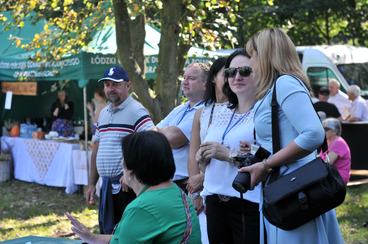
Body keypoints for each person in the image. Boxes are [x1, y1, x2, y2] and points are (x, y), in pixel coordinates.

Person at [240, 28, 343, 244]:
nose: (250, 62)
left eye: (253, 55)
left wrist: (266, 164)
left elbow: (313, 134)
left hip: (296, 190)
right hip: (289, 188)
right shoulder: (275, 88)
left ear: (266, 55)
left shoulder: (285, 84)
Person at [67, 131, 201, 243]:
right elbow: (128, 238)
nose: (121, 163)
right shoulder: (175, 191)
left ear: (131, 169)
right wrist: (92, 238)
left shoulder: (142, 208)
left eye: (123, 158)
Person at [195, 49, 260, 244]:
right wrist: (203, 160)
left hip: (247, 202)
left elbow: (269, 157)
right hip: (214, 200)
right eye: (231, 72)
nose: (236, 77)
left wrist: (229, 155)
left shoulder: (263, 111)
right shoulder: (221, 111)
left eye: (245, 71)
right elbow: (206, 162)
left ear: (258, 72)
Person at [85, 66, 154, 234]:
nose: (110, 89)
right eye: (107, 85)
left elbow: (152, 142)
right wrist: (92, 184)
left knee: (127, 234)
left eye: (115, 84)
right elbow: (96, 148)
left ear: (128, 85)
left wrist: (132, 171)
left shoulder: (136, 111)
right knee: (108, 232)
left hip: (127, 188)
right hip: (106, 186)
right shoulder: (103, 113)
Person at [187, 57, 227, 244]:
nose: (233, 78)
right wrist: (195, 194)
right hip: (205, 194)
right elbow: (193, 154)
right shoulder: (201, 113)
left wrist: (203, 178)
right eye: (227, 73)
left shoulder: (244, 110)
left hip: (229, 187)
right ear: (213, 78)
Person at [156, 63, 208, 192]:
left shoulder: (205, 110)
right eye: (184, 77)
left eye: (191, 78)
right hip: (166, 182)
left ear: (205, 84)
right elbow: (151, 132)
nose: (185, 82)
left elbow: (174, 138)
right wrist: (164, 132)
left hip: (187, 185)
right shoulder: (180, 108)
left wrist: (162, 131)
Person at [321, 118, 351, 184]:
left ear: (335, 131)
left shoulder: (338, 142)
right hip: (330, 175)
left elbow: (327, 163)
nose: (323, 131)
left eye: (326, 129)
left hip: (338, 178)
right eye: (322, 128)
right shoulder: (326, 142)